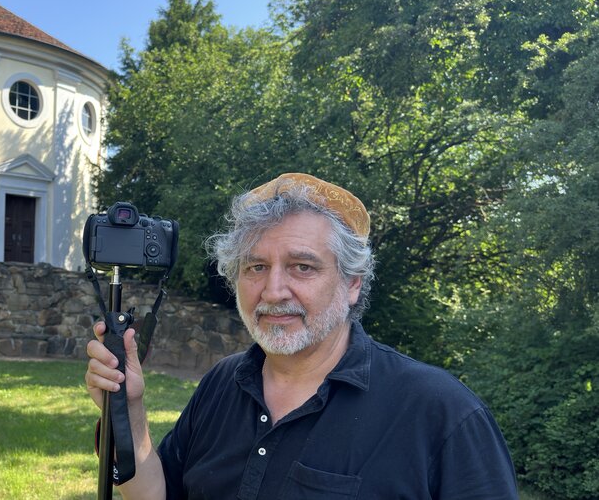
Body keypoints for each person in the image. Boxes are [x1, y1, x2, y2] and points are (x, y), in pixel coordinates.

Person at [85, 173, 518, 499]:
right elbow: (157, 493)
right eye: (256, 267)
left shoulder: (440, 412)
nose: (273, 291)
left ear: (352, 284)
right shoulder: (222, 383)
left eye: (302, 267)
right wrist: (132, 409)